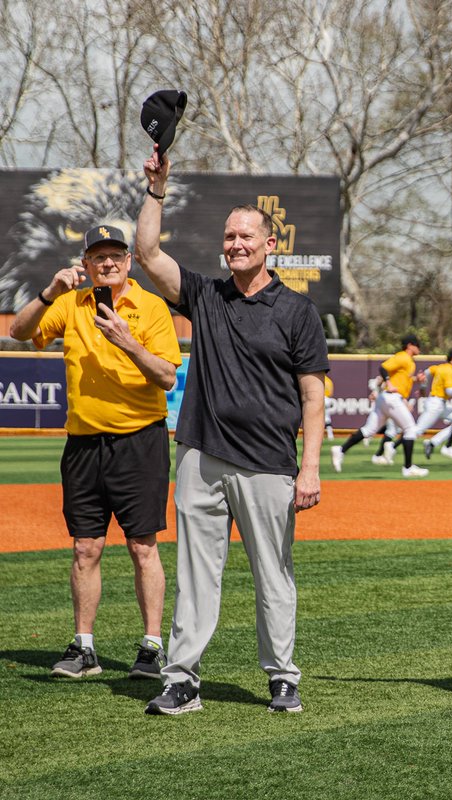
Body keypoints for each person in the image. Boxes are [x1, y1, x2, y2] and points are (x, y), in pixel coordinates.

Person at [136, 146, 329, 715]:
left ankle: (283, 677)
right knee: (196, 574)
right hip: (202, 456)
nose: (236, 244)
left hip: (269, 463)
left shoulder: (296, 311)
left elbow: (313, 396)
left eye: (247, 236)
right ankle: (182, 679)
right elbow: (147, 253)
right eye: (229, 237)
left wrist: (310, 468)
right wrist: (157, 189)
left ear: (271, 245)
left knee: (273, 575)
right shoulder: (206, 296)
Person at [9, 225, 181, 681]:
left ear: (129, 262)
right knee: (85, 547)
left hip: (139, 441)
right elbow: (18, 331)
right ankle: (83, 647)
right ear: (85, 263)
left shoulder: (151, 307)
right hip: (84, 443)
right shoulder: (71, 302)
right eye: (98, 257)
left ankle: (151, 646)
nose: (107, 263)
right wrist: (50, 292)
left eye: (115, 256)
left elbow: (167, 376)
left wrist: (127, 340)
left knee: (142, 546)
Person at [331, 334, 429, 477]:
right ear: (409, 345)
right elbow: (383, 367)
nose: (419, 348)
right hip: (392, 398)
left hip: (386, 399)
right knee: (410, 429)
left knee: (369, 430)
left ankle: (340, 450)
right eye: (417, 345)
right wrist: (388, 382)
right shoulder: (403, 357)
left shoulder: (409, 362)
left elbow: (401, 378)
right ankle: (408, 468)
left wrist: (415, 380)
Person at [417, 349, 452, 461]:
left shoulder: (439, 367)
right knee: (417, 430)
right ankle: (392, 446)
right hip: (435, 405)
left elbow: (426, 372)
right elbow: (449, 391)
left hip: (439, 404)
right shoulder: (451, 371)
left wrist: (423, 387)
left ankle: (434, 444)